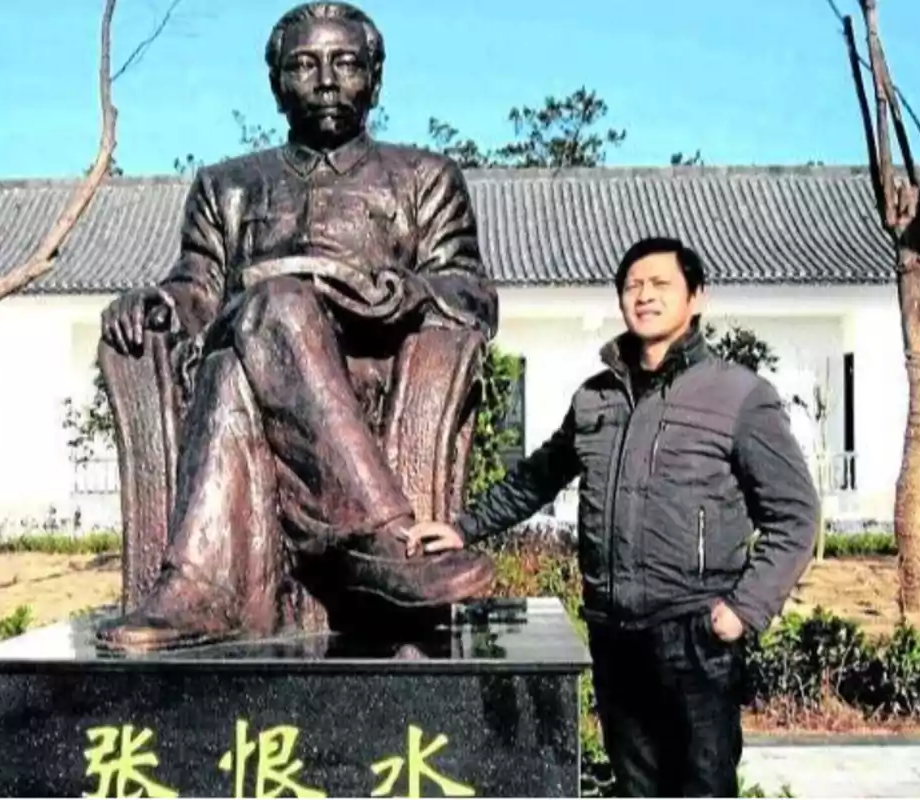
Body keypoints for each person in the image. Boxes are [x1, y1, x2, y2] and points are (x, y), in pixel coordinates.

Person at [99, 2, 498, 649]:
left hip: (362, 373)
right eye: (305, 65)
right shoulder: (227, 185)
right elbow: (197, 288)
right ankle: (379, 538)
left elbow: (471, 294)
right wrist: (159, 308)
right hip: (251, 346)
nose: (327, 79)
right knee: (268, 313)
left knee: (243, 354)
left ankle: (194, 589)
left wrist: (400, 292)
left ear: (374, 77)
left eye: (345, 63)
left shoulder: (424, 179)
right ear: (277, 84)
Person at [402, 236, 819, 797]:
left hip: (696, 635)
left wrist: (743, 611)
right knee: (636, 785)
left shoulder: (738, 396)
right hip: (615, 633)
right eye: (632, 286)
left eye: (660, 285)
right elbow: (537, 478)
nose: (644, 296)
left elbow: (795, 514)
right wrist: (462, 527)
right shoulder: (595, 399)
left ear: (696, 297)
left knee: (702, 786)